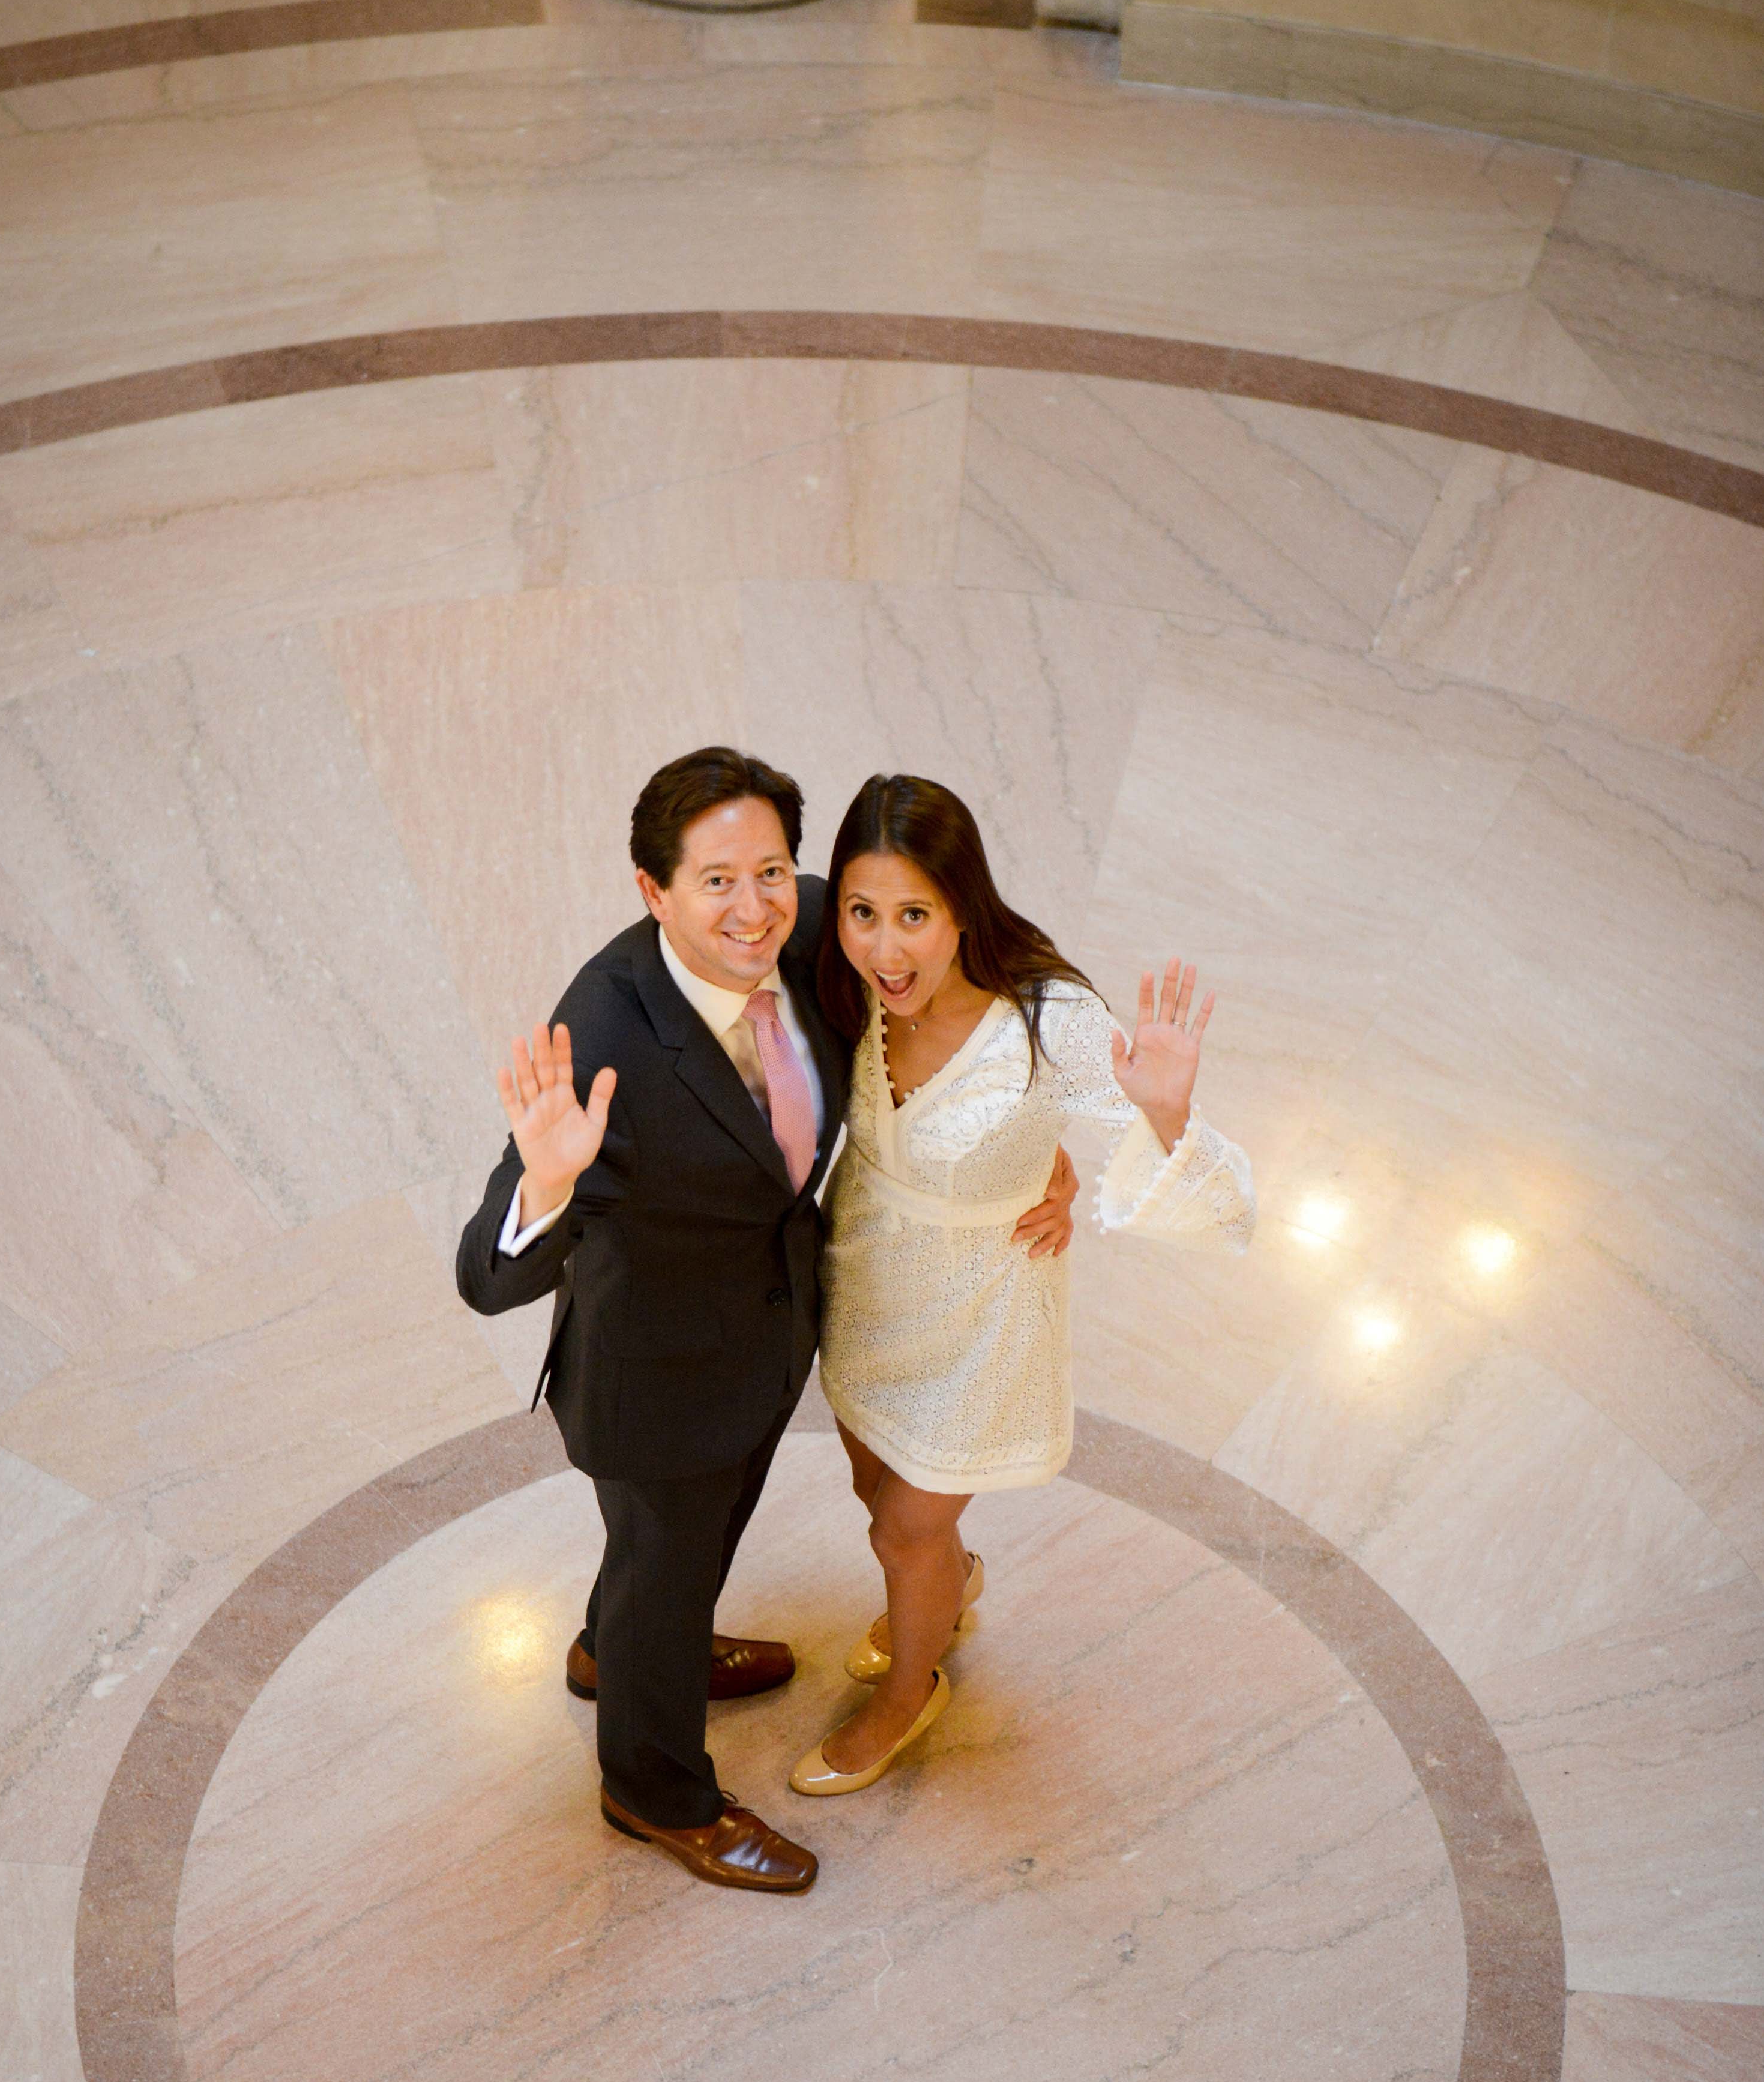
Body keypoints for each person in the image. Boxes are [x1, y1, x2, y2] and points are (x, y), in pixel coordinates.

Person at [456, 747, 1079, 1898]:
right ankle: (653, 1788)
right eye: (715, 884)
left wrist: (1052, 1164)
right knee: (666, 1551)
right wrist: (544, 1189)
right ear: (653, 893)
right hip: (654, 1378)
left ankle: (625, 1649)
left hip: (761, 1342)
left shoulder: (808, 945)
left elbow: (951, 1006)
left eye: (774, 872)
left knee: (673, 1565)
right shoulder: (606, 1030)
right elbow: (487, 1280)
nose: (754, 911)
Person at [789, 771, 1256, 1799]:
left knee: (901, 1524)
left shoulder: (1046, 1020)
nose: (886, 947)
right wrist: (1046, 1164)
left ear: (963, 906)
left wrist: (1167, 1115)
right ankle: (944, 1588)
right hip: (868, 1281)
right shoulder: (842, 985)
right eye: (864, 914)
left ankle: (911, 1692)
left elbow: (1211, 1203)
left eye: (915, 914)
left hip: (983, 1310)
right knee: (878, 1486)